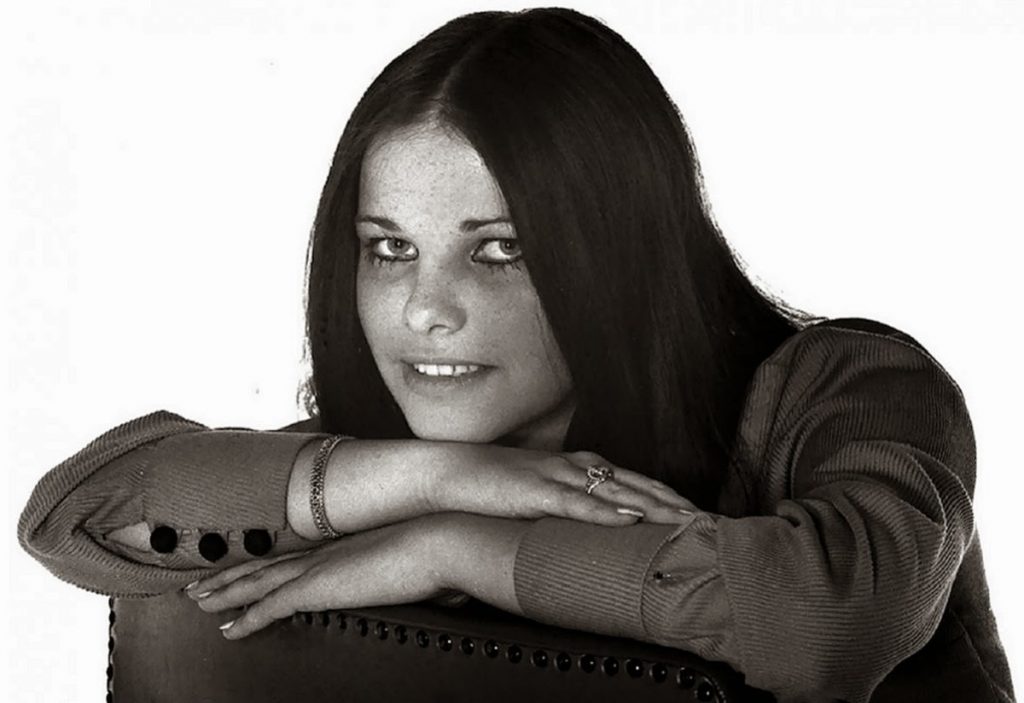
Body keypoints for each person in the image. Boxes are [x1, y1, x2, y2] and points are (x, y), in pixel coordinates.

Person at [16, 7, 1015, 703]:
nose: (424, 309)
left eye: (498, 251)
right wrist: (441, 479)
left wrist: (459, 546)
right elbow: (76, 519)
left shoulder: (853, 390)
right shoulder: (391, 463)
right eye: (388, 249)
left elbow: (829, 620)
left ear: (620, 255)